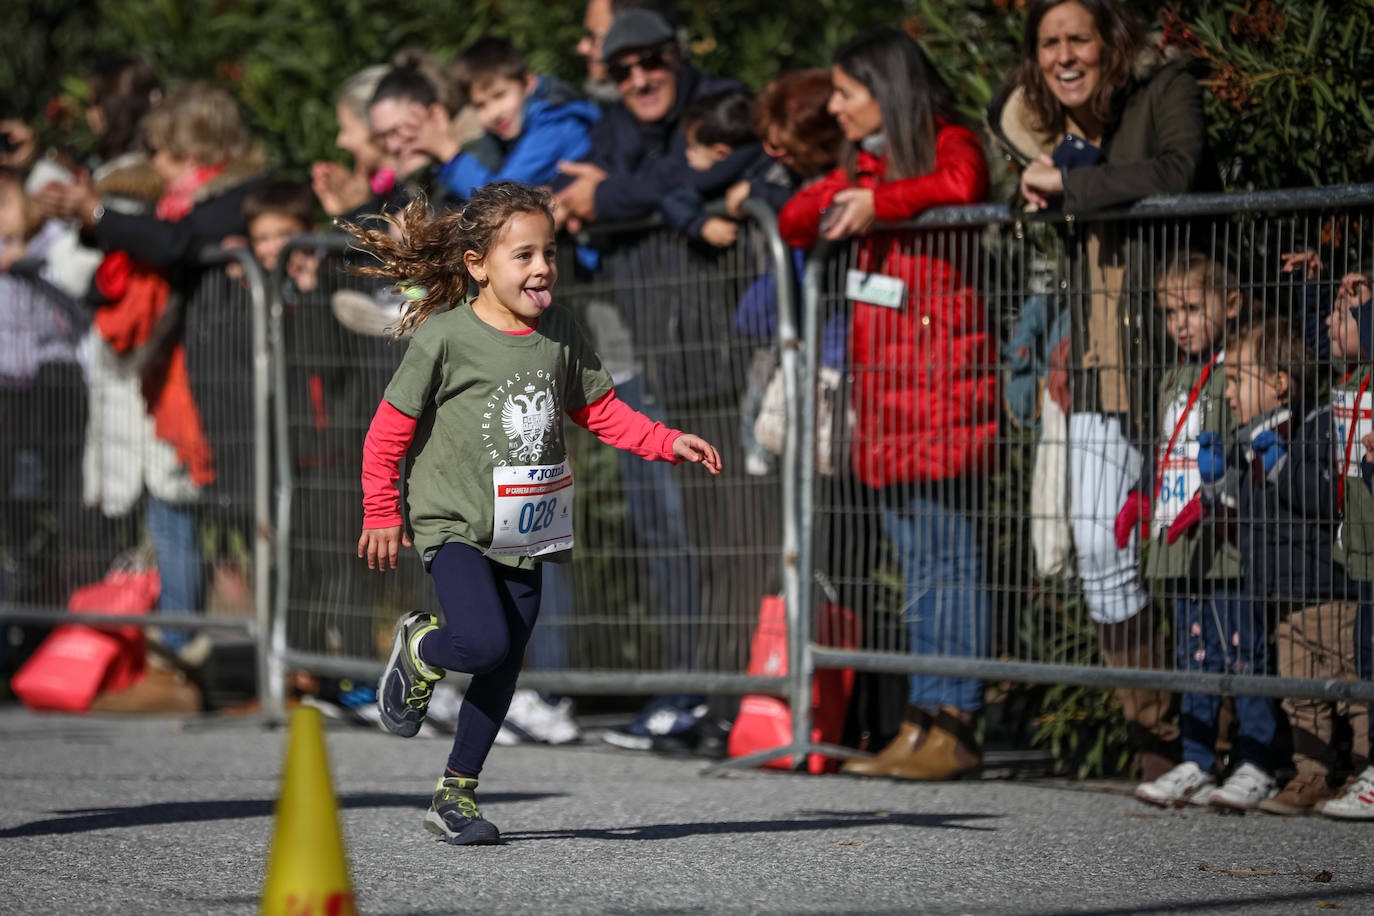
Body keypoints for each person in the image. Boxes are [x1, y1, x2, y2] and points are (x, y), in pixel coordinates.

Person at [349, 181, 722, 845]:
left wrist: (667, 440)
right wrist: (382, 509)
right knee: (482, 642)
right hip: (454, 521)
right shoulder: (445, 337)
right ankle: (420, 646)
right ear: (477, 265)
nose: (542, 267)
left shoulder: (560, 330)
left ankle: (455, 794)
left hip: (528, 525)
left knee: (505, 660)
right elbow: (387, 433)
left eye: (548, 252)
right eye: (523, 255)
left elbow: (600, 409)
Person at [986, 0, 1216, 780]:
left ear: (1111, 41)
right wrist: (1053, 168)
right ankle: (1155, 742)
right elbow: (1008, 115)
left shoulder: (1166, 86)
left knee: (1196, 551)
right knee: (1098, 550)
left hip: (1177, 357)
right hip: (1095, 366)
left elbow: (1179, 171)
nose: (1063, 55)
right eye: (1048, 43)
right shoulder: (1061, 130)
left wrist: (1074, 179)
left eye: (1077, 38)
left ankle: (1226, 743)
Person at [778, 27, 997, 780]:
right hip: (890, 397)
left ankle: (957, 722)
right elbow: (792, 220)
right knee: (918, 559)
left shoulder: (949, 140)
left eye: (846, 91)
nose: (834, 106)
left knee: (950, 558)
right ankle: (921, 718)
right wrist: (857, 194)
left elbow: (966, 188)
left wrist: (879, 203)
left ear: (886, 89)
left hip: (941, 387)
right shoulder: (861, 165)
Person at [34, 84, 269, 709]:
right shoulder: (182, 201)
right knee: (172, 513)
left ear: (199, 147)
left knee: (256, 521)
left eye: (164, 154)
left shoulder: (239, 197)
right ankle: (181, 660)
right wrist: (91, 219)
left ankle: (281, 669)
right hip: (180, 383)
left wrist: (102, 215)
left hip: (230, 385)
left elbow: (176, 243)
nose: (158, 167)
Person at [1172, 316, 1365, 815]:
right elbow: (1240, 512)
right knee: (1299, 698)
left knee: (1351, 692)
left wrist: (1279, 463)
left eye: (1237, 379)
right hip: (1277, 593)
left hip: (1325, 589)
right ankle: (1311, 777)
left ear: (1279, 382)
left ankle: (1365, 770)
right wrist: (1216, 485)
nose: (1229, 393)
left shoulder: (1317, 423)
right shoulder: (1247, 437)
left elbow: (1327, 497)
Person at [1123, 251, 1277, 811]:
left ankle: (1256, 760)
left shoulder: (1237, 368)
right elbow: (1166, 448)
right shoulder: (1172, 376)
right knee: (1192, 651)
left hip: (1227, 541)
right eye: (1170, 312)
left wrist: (1222, 490)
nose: (1180, 322)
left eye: (1191, 307)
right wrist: (1142, 497)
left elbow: (1252, 447)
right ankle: (1196, 759)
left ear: (1230, 304)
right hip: (1180, 544)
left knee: (1241, 649)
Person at [554, 8, 741, 231]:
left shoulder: (724, 104)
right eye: (621, 71)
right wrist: (551, 199)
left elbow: (686, 174)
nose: (639, 81)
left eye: (651, 62)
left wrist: (604, 196)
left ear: (677, 54)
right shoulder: (618, 119)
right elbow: (576, 175)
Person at [1323, 267, 1374, 820]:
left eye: (1350, 314)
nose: (1335, 322)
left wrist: (1366, 306)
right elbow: (1322, 343)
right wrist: (1321, 287)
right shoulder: (1347, 382)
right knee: (1366, 654)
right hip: (1358, 545)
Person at [437, 37, 600, 201]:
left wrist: (449, 155)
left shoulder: (555, 126)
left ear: (528, 83)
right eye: (480, 105)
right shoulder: (507, 137)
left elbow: (501, 199)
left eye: (500, 95)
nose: (494, 113)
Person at [658, 89, 773, 249]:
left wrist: (756, 190)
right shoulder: (769, 159)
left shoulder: (768, 169)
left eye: (694, 147)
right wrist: (701, 225)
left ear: (721, 152)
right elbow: (674, 201)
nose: (687, 153)